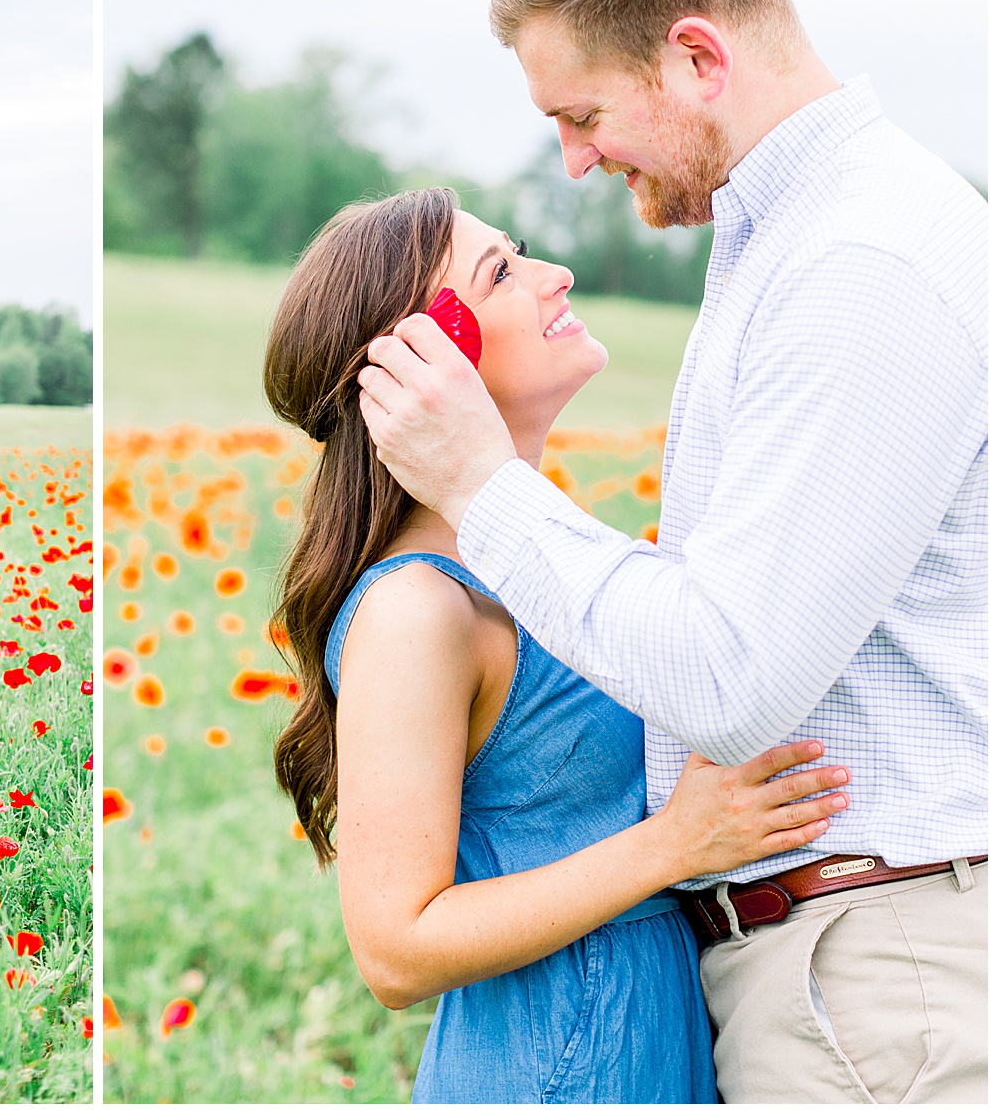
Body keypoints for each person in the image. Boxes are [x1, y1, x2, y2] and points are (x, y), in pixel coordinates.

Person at [357, 0, 986, 1102]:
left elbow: (728, 677)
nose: (577, 163)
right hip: (833, 964)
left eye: (581, 116)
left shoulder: (857, 265)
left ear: (697, 56)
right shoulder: (789, 241)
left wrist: (486, 484)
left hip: (869, 976)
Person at [264, 189, 850, 1103]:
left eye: (521, 251)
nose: (555, 275)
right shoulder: (418, 608)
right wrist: (675, 845)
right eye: (502, 272)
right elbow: (395, 947)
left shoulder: (542, 560)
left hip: (647, 1036)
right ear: (424, 362)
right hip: (558, 1064)